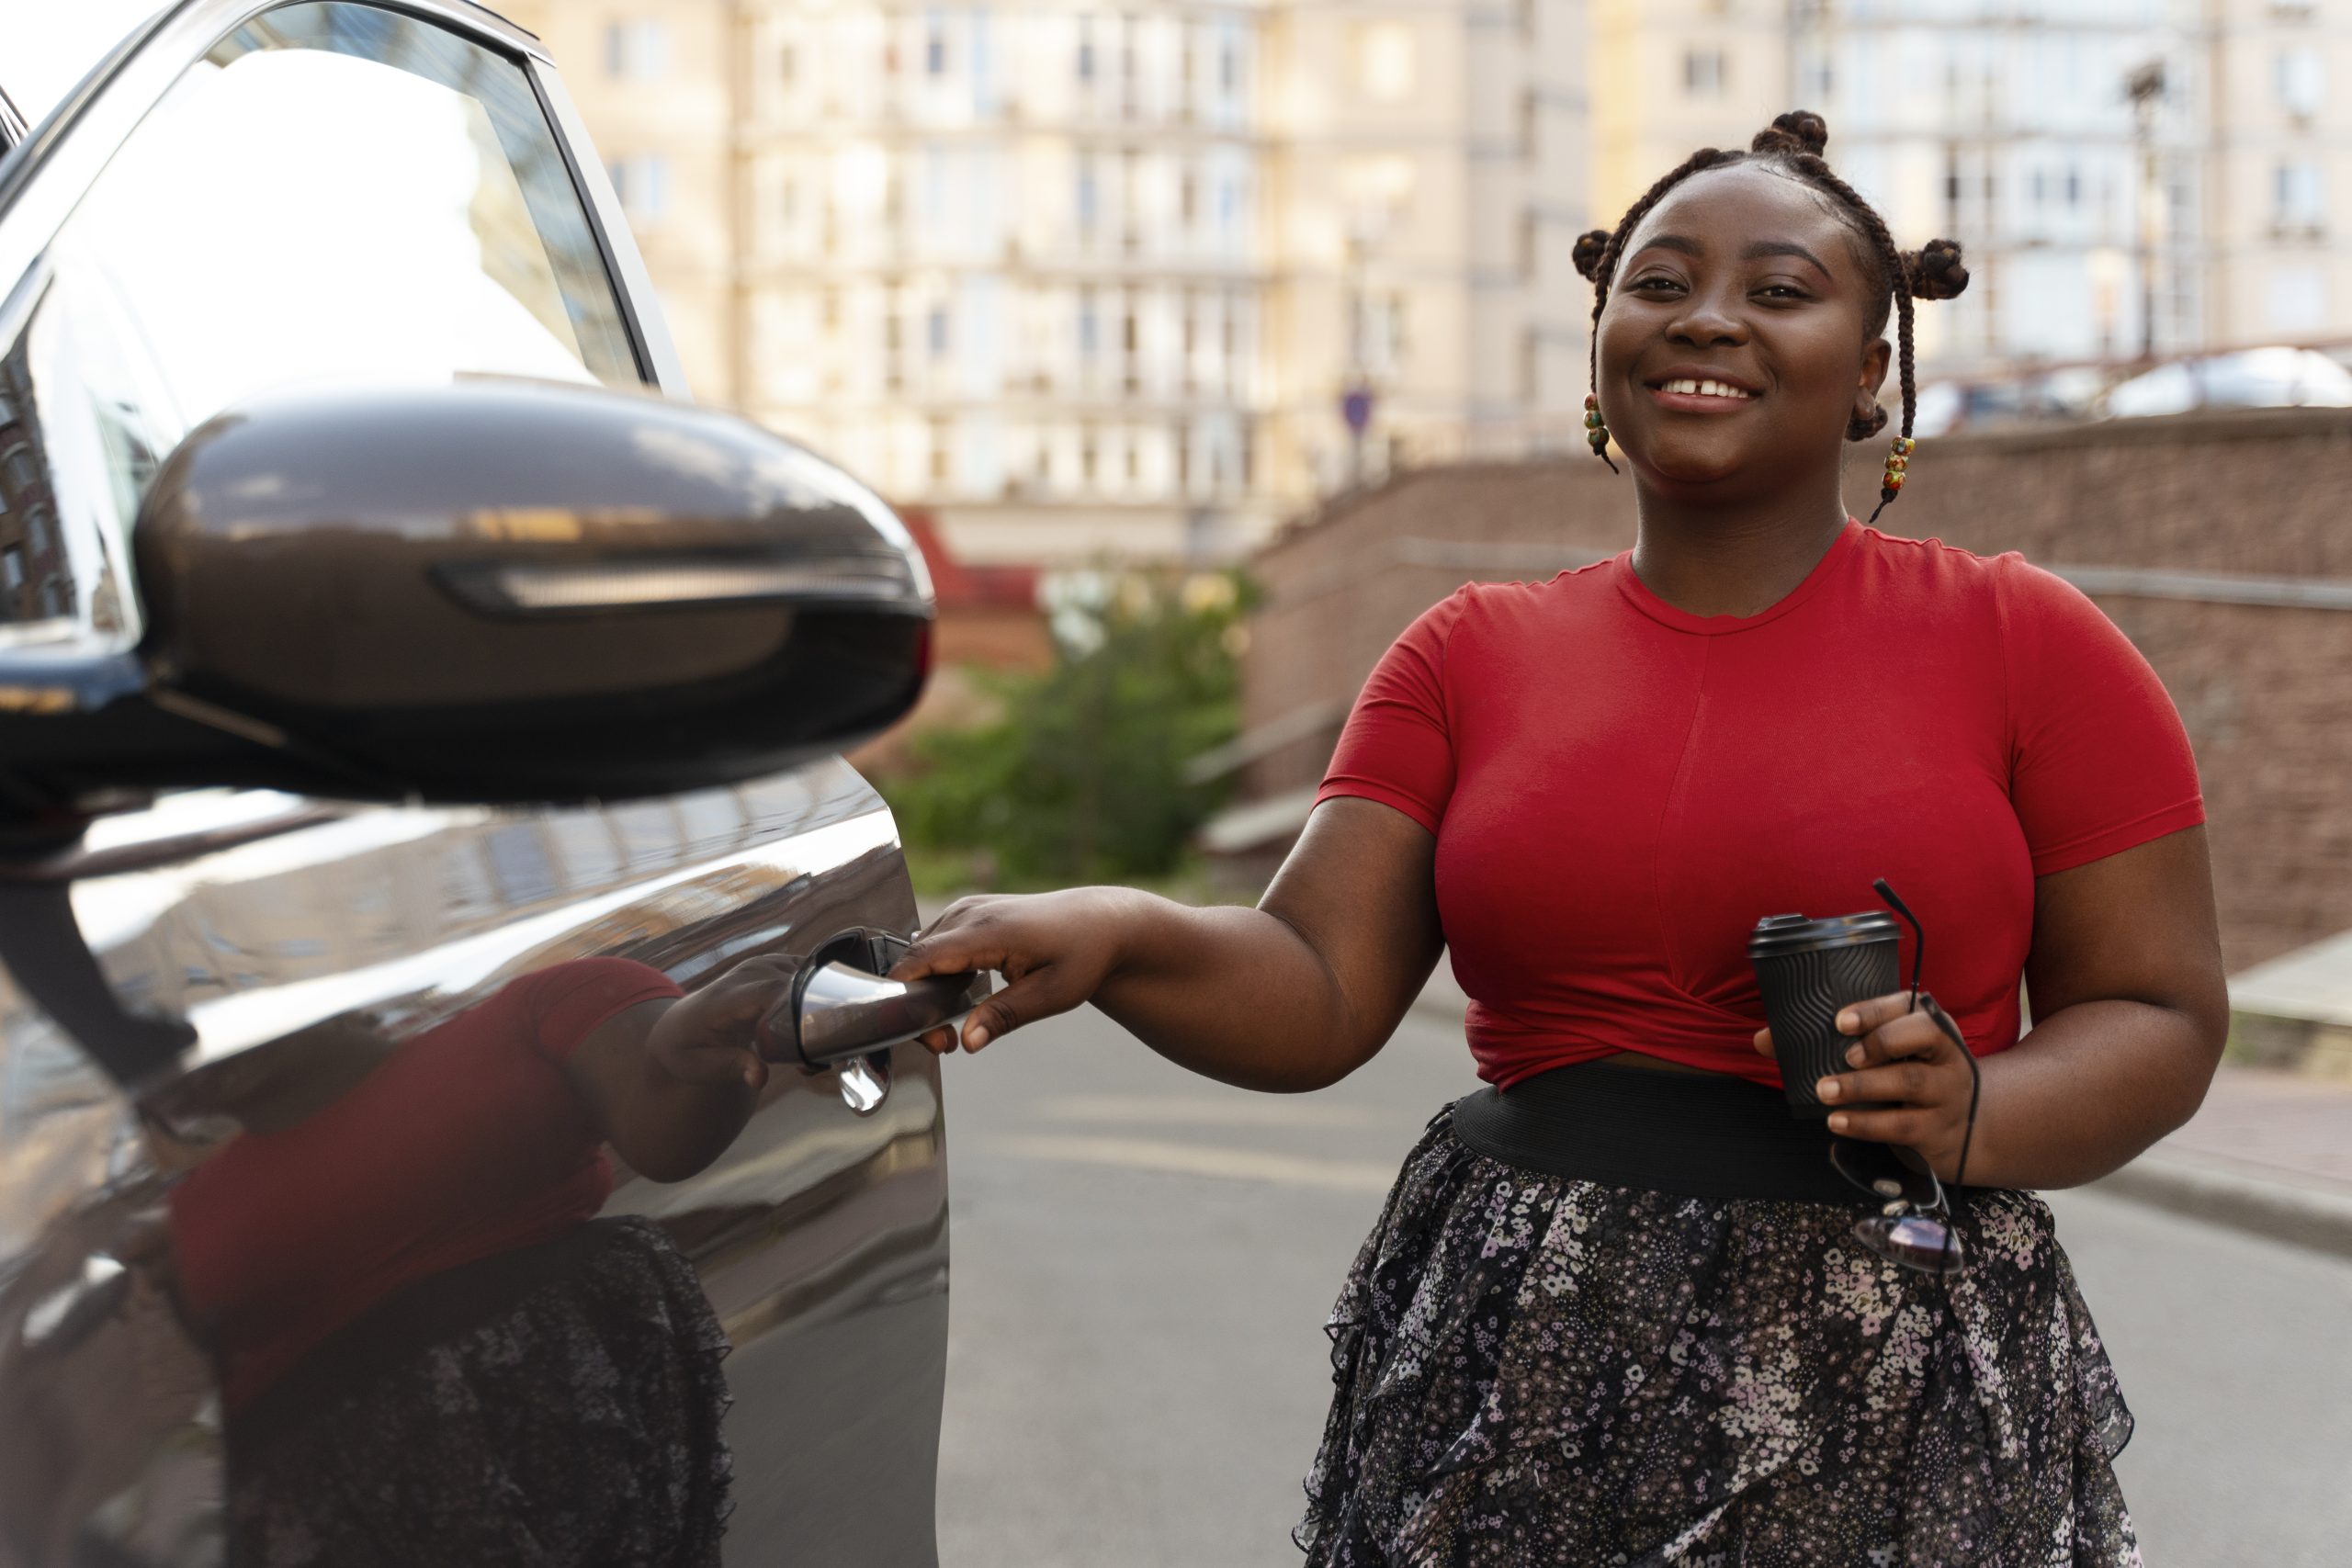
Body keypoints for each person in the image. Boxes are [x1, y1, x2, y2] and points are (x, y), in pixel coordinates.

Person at [893, 111, 2224, 1565]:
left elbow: (2157, 1012)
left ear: (1872, 376)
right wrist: (1125, 933)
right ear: (1602, 344)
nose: (1707, 316)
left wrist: (1980, 1114)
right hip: (1523, 1355)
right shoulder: (1467, 655)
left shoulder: (2026, 641)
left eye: (1780, 290)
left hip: (1885, 1361)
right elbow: (1319, 987)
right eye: (1659, 284)